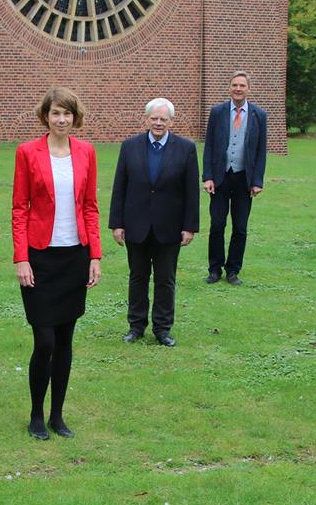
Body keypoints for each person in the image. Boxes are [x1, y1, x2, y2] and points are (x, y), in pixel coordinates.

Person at [13, 87, 102, 439]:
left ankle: (57, 415)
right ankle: (36, 413)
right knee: (45, 340)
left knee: (65, 338)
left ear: (74, 117)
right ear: (45, 116)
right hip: (40, 258)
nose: (61, 119)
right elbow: (20, 209)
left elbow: (91, 207)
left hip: (74, 257)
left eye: (67, 113)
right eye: (55, 113)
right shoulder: (27, 153)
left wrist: (95, 255)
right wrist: (22, 258)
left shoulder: (87, 153)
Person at [109, 97, 199, 346]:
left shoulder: (186, 148)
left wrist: (189, 226)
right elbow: (120, 186)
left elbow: (192, 191)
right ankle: (136, 327)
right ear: (147, 119)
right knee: (137, 277)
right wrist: (117, 223)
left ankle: (162, 329)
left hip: (169, 227)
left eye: (163, 119)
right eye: (154, 118)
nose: (158, 123)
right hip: (136, 225)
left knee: (165, 279)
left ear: (171, 120)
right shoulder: (130, 147)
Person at [202, 72, 266, 284]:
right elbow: (209, 145)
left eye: (242, 85)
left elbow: (260, 151)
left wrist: (257, 181)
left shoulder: (259, 115)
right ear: (229, 88)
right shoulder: (217, 112)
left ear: (248, 88)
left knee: (240, 227)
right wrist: (208, 176)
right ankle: (214, 269)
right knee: (217, 224)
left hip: (243, 178)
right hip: (220, 177)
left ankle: (233, 270)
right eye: (234, 85)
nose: (238, 89)